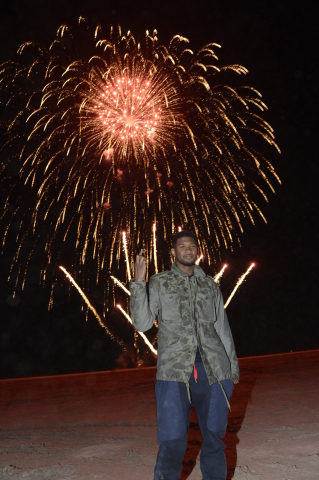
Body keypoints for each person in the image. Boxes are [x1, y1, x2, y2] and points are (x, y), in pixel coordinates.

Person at [130, 231, 239, 480]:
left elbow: (222, 328)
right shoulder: (159, 282)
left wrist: (231, 370)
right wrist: (138, 282)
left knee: (214, 438)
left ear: (198, 251)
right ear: (173, 252)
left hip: (213, 371)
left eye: (192, 246)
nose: (188, 250)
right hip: (174, 372)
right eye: (182, 246)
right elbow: (142, 323)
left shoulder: (210, 286)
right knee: (173, 441)